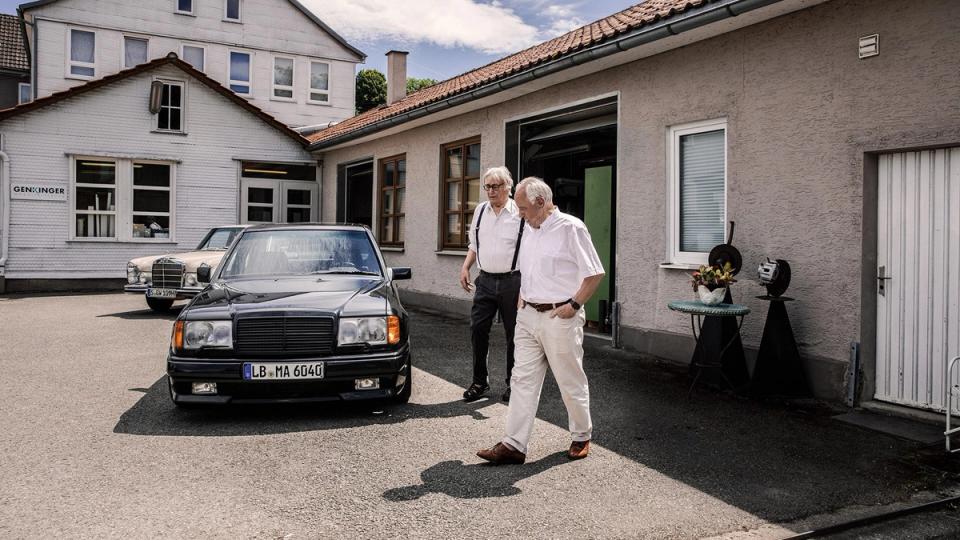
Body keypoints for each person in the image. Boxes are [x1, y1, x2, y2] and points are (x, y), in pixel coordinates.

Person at [477, 176, 605, 464]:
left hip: (559, 315)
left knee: (569, 379)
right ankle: (513, 445)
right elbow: (526, 269)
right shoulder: (530, 228)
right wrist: (523, 298)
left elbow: (594, 272)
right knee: (521, 379)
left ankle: (581, 435)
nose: (519, 213)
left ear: (541, 202)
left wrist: (574, 304)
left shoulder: (571, 228)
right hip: (528, 315)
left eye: (522, 208)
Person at [459, 166, 525, 402]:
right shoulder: (480, 212)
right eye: (487, 186)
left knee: (514, 334)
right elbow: (474, 244)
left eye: (496, 186)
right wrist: (466, 266)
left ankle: (513, 384)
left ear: (509, 187)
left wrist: (526, 287)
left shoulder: (520, 212)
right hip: (485, 280)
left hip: (513, 281)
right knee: (478, 329)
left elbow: (530, 250)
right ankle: (479, 382)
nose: (490, 191)